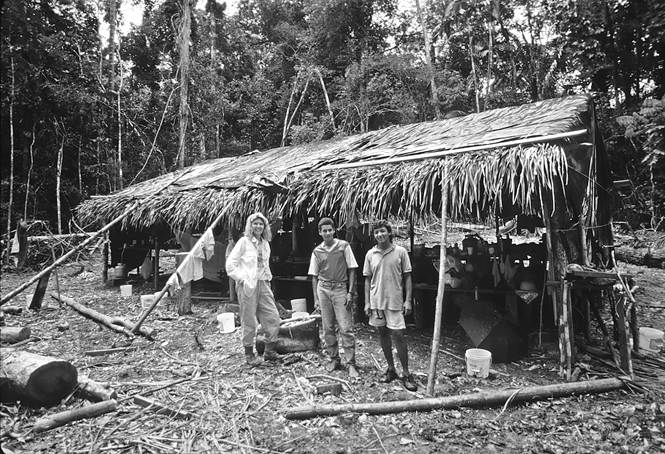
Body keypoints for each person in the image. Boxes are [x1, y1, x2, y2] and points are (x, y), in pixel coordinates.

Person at [363, 220, 417, 391]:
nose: (380, 235)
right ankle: (391, 369)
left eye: (382, 231)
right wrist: (367, 302)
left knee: (399, 335)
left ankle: (407, 373)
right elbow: (367, 280)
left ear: (389, 232)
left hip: (394, 301)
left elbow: (408, 277)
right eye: (377, 232)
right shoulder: (370, 254)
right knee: (383, 333)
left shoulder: (400, 252)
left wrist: (408, 300)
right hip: (377, 302)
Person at [226, 213, 281, 366]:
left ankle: (270, 351)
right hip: (248, 284)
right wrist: (242, 279)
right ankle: (249, 354)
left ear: (265, 227)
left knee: (273, 317)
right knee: (249, 320)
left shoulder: (265, 243)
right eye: (255, 223)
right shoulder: (244, 242)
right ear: (250, 226)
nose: (258, 226)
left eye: (261, 224)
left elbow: (264, 265)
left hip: (263, 283)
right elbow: (230, 265)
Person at [308, 218, 360, 379]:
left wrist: (350, 292)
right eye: (324, 230)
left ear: (334, 230)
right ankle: (334, 358)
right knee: (328, 327)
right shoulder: (317, 251)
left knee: (345, 327)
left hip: (340, 288)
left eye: (330, 230)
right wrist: (316, 298)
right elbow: (314, 277)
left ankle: (351, 363)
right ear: (320, 232)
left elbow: (352, 269)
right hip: (323, 288)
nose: (327, 233)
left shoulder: (343, 246)